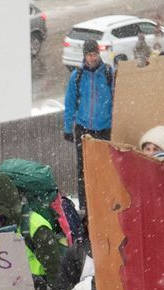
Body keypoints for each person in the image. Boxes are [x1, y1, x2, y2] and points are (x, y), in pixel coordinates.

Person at [63, 40, 114, 208]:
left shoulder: (108, 73)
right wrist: (67, 128)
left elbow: (116, 100)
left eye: (95, 54)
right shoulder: (77, 76)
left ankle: (104, 204)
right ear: (84, 55)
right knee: (84, 170)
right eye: (89, 54)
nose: (93, 58)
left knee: (105, 168)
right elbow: (70, 103)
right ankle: (85, 206)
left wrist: (115, 124)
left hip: (104, 128)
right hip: (83, 129)